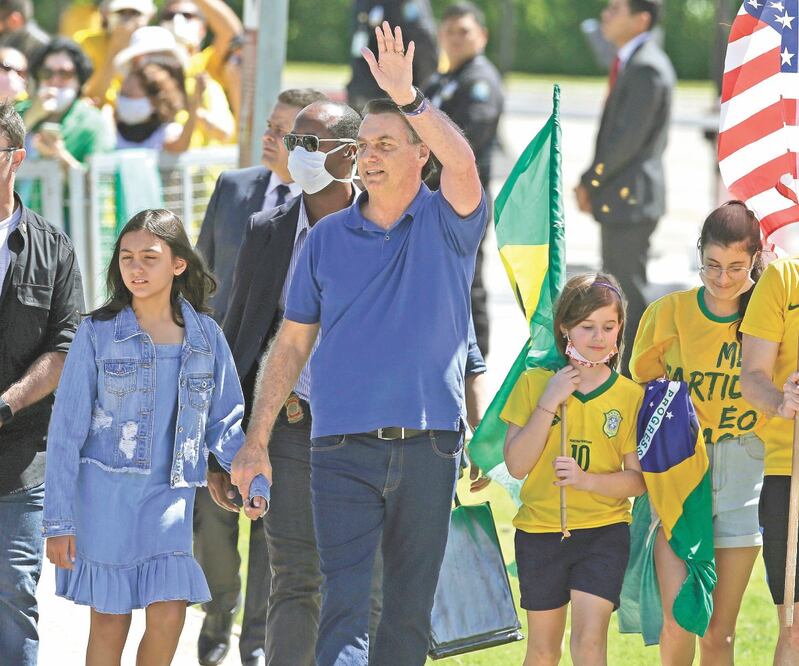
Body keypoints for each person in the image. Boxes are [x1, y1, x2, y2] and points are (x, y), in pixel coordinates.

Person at [231, 21, 487, 664]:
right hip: (338, 448)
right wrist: (255, 439)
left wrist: (408, 97)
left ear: (418, 153)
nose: (369, 155)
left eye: (386, 144)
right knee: (343, 609)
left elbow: (464, 161)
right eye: (364, 145)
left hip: (429, 447)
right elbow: (288, 348)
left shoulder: (450, 221)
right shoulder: (324, 241)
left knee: (404, 615)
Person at [42, 208, 253, 665]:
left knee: (169, 617)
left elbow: (226, 423)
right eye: (126, 258)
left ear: (179, 264)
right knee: (111, 623)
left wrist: (254, 480)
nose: (135, 269)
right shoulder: (96, 334)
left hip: (170, 502)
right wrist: (59, 523)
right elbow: (65, 433)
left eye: (149, 258)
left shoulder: (206, 338)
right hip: (106, 502)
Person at [193, 87, 326, 666]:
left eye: (288, 132)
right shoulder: (235, 190)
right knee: (211, 524)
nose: (274, 138)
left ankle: (255, 644)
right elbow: (201, 286)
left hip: (290, 402)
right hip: (229, 380)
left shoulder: (336, 215)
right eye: (271, 128)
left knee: (277, 537)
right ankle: (220, 607)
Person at [631, 201, 765, 664]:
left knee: (717, 633)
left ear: (755, 261)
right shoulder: (668, 314)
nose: (722, 278)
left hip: (745, 471)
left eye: (736, 267)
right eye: (711, 264)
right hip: (681, 469)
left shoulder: (771, 322)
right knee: (678, 621)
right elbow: (638, 392)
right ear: (698, 255)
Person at [503, 273, 646, 666]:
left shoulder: (630, 396)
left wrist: (587, 481)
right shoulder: (534, 384)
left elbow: (637, 481)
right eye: (587, 327)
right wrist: (549, 402)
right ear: (565, 328)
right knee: (544, 650)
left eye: (608, 326)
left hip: (603, 532)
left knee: (588, 643)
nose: (598, 337)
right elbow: (517, 465)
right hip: (540, 533)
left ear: (620, 329)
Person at [0, 101, 84, 666]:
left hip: (20, 452)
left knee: (12, 593)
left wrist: (6, 405)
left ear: (16, 159)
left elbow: (67, 345)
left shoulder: (52, 248)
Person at [574, 0, 675, 376]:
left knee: (627, 293)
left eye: (615, 8)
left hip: (630, 197)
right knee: (622, 287)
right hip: (624, 196)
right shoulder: (634, 62)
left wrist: (591, 181)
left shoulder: (646, 67)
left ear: (641, 19)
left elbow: (626, 142)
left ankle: (640, 374)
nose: (605, 14)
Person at [424, 0, 503, 358]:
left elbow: (466, 141)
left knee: (467, 281)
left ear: (482, 37)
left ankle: (477, 362)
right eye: (449, 32)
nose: (456, 39)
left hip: (463, 200)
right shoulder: (444, 78)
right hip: (436, 196)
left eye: (464, 32)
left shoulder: (479, 82)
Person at [740, 258, 799, 665]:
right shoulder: (783, 277)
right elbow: (753, 376)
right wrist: (782, 401)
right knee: (795, 628)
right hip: (789, 472)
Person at [18, 38, 114, 171]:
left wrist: (59, 156)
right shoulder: (18, 112)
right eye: (46, 73)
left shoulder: (93, 122)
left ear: (79, 80)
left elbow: (100, 183)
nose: (55, 80)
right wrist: (29, 118)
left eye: (65, 74)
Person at [346, 0, 439, 112]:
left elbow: (424, 46)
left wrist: (415, 95)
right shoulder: (362, 2)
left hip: (394, 100)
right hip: (362, 94)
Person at [78, 0, 156, 106]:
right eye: (121, 12)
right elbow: (92, 96)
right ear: (105, 14)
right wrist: (115, 49)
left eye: (135, 13)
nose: (127, 20)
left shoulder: (156, 47)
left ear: (150, 16)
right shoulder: (86, 42)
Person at [114, 58, 198, 152]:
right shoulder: (111, 131)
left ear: (153, 100)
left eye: (130, 94)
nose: (125, 100)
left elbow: (179, 146)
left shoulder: (166, 132)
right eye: (123, 94)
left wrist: (194, 107)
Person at [159, 0, 242, 89]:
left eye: (187, 15)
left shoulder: (207, 63)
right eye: (169, 16)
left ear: (203, 28)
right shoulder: (154, 66)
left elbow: (232, 36)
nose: (176, 20)